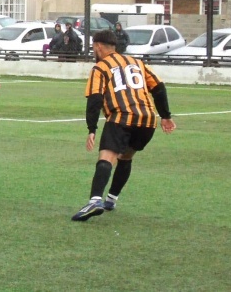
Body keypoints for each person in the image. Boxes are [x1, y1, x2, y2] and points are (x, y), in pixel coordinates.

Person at [71, 29, 175, 222]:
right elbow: (159, 88)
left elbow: (95, 98)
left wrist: (91, 129)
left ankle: (95, 201)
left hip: (121, 117)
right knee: (126, 157)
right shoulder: (137, 63)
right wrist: (166, 116)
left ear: (98, 46)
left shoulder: (100, 68)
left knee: (107, 158)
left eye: (94, 47)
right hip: (147, 119)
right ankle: (111, 199)